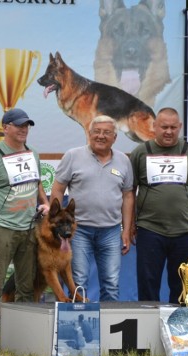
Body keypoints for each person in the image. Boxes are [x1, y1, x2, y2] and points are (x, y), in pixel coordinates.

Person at [130, 107, 188, 303]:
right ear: (154, 126)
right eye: (164, 127)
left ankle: (180, 330)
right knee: (148, 283)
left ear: (180, 127)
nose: (168, 131)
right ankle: (148, 330)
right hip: (149, 229)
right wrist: (130, 224)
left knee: (184, 287)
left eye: (173, 127)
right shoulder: (141, 152)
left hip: (184, 230)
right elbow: (129, 191)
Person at [0, 108, 49, 318]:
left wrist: (46, 203)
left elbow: (37, 183)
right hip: (1, 230)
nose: (24, 129)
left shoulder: (32, 152)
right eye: (19, 125)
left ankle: (20, 336)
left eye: (27, 125)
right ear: (5, 128)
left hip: (29, 229)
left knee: (26, 287)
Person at [51, 115, 134, 301]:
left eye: (106, 132)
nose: (101, 136)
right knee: (78, 281)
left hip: (111, 231)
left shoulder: (124, 161)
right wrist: (55, 224)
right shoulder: (73, 156)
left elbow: (128, 195)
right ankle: (78, 327)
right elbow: (58, 188)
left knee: (111, 283)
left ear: (115, 137)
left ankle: (107, 327)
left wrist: (126, 230)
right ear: (89, 134)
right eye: (96, 131)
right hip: (78, 231)